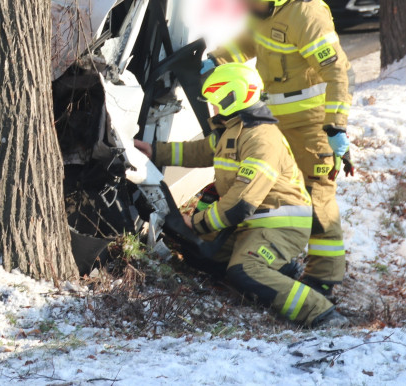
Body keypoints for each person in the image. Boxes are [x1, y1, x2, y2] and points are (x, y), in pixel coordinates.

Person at [136, 63, 348, 328]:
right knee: (198, 252)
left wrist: (199, 221)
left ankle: (321, 313)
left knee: (244, 271)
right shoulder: (235, 130)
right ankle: (281, 271)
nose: (212, 108)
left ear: (230, 98)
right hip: (253, 223)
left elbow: (241, 202)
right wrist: (153, 152)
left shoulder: (261, 139)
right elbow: (200, 151)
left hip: (280, 226)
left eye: (215, 101)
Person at [201, 0, 352, 297]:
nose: (248, 6)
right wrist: (217, 60)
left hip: (312, 124)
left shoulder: (308, 17)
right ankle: (279, 259)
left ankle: (324, 278)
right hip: (277, 119)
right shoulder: (266, 11)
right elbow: (248, 42)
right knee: (276, 192)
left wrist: (336, 124)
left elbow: (336, 71)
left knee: (316, 195)